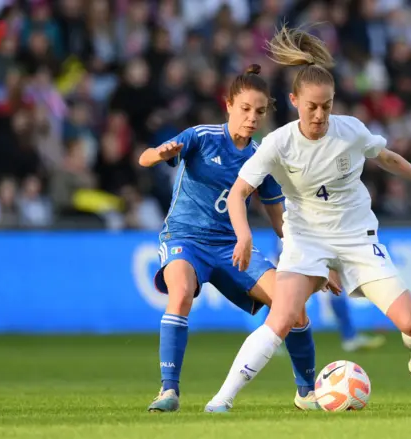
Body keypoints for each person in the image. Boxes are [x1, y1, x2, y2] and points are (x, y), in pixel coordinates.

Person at [205, 26, 411, 413]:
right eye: (312, 106)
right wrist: (243, 235)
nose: (319, 115)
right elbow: (239, 193)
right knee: (281, 319)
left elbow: (389, 159)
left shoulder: (350, 131)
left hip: (357, 239)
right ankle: (222, 400)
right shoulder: (279, 143)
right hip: (306, 241)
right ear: (295, 100)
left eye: (327, 106)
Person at [138, 64, 338, 413]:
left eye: (260, 111)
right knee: (182, 293)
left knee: (294, 307)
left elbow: (281, 222)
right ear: (228, 104)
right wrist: (162, 153)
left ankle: (306, 393)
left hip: (232, 247)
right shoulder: (200, 137)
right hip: (185, 237)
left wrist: (314, 259)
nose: (252, 117)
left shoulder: (262, 158)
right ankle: (168, 391)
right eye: (245, 108)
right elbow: (144, 158)